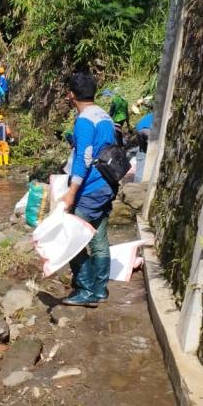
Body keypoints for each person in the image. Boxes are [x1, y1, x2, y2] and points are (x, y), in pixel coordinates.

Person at [60, 72, 117, 307]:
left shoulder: (84, 120)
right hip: (107, 183)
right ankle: (100, 288)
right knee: (99, 237)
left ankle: (86, 290)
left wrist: (71, 193)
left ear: (72, 95)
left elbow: (84, 159)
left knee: (73, 239)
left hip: (90, 188)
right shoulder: (104, 115)